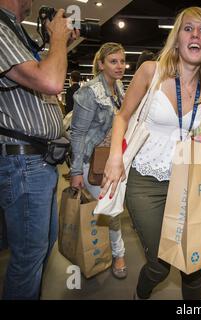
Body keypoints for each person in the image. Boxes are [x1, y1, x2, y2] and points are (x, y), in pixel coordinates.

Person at [99, 7, 201, 300]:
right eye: (188, 28)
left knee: (193, 262)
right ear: (177, 38)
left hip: (187, 184)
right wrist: (115, 159)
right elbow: (122, 116)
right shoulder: (150, 72)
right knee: (160, 264)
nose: (195, 35)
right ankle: (140, 296)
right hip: (145, 181)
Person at [0, 0, 78, 299]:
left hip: (36, 163)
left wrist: (57, 45)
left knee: (41, 247)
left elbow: (44, 74)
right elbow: (51, 80)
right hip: (23, 164)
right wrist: (57, 37)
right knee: (29, 256)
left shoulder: (13, 29)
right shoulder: (1, 28)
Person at [70, 42, 128, 279]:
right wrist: (75, 171)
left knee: (110, 209)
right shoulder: (90, 91)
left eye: (122, 61)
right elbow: (78, 133)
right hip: (93, 161)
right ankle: (118, 253)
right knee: (109, 210)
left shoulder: (120, 88)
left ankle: (110, 250)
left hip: (114, 160)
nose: (120, 66)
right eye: (113, 61)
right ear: (101, 64)